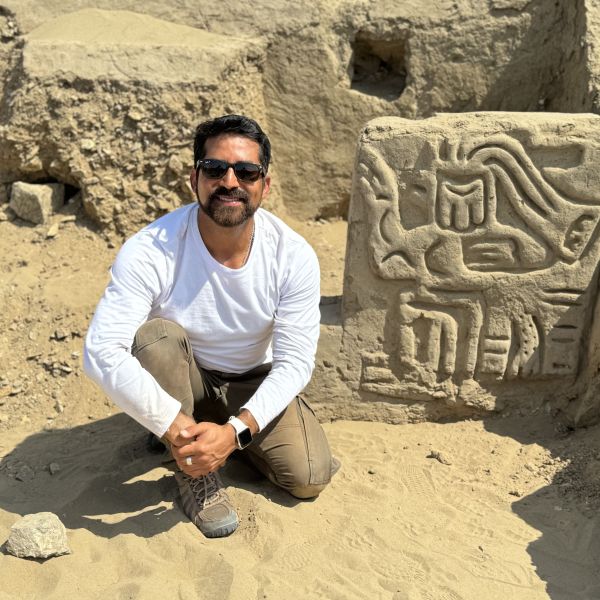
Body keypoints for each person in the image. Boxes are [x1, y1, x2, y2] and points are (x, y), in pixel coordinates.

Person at [83, 114, 337, 538]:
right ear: (194, 179)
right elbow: (101, 351)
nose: (230, 181)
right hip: (184, 375)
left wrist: (234, 432)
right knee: (155, 337)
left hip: (249, 381)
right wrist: (175, 424)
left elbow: (294, 364)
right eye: (215, 169)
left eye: (247, 171)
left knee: (308, 476)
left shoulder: (293, 256)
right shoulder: (151, 249)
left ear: (265, 185)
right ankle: (189, 461)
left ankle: (204, 439)